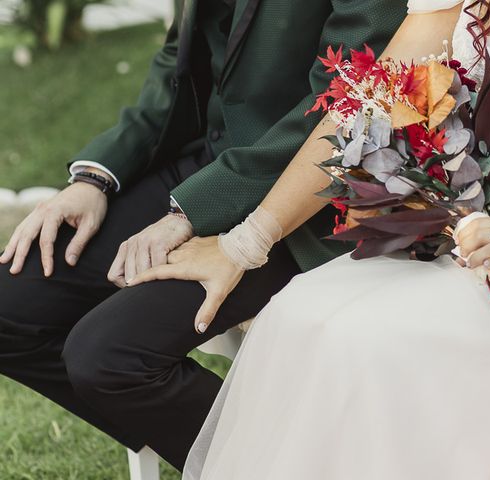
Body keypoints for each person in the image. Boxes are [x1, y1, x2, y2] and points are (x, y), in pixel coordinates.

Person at [129, 0, 490, 478]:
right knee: (308, 316)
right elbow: (368, 105)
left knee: (380, 341)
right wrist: (246, 241)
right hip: (482, 228)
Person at [0, 0, 407, 471]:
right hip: (203, 160)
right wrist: (94, 177)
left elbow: (349, 105)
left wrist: (193, 211)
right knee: (10, 311)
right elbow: (179, 57)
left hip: (309, 199)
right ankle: (272, 459)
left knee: (108, 358)